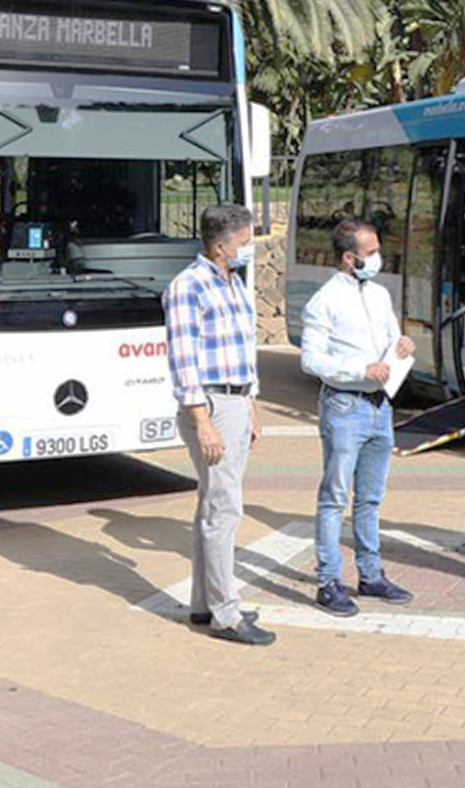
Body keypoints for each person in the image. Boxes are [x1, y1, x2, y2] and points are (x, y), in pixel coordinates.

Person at [164, 203, 274, 646]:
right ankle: (226, 614)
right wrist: (203, 420)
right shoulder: (187, 287)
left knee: (213, 504)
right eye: (244, 244)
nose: (249, 251)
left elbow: (242, 351)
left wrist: (251, 404)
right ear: (219, 245)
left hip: (234, 400)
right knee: (224, 508)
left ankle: (204, 602)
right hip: (210, 404)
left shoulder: (233, 285)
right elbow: (183, 359)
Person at [299, 219, 417, 616]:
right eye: (371, 253)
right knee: (334, 497)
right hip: (345, 405)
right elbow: (311, 359)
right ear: (349, 258)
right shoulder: (325, 300)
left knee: (370, 497)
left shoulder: (380, 295)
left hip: (380, 406)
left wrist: (401, 345)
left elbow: (391, 339)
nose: (378, 258)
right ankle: (328, 580)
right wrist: (360, 370)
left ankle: (371, 574)